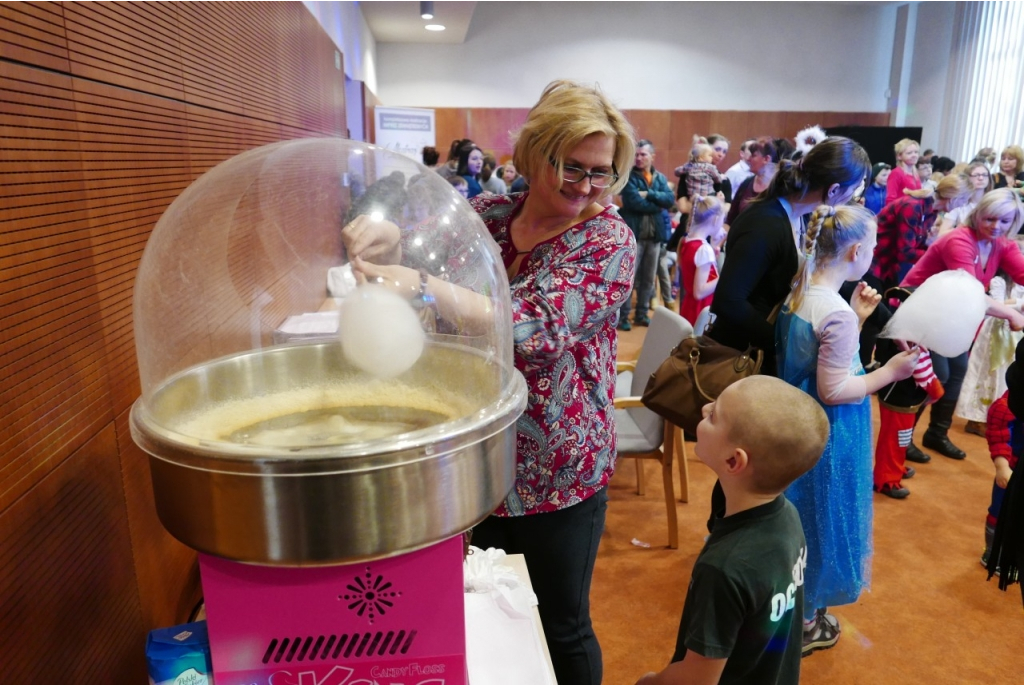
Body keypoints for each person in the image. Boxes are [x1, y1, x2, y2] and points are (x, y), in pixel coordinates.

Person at [343, 80, 637, 685]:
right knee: (475, 607)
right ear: (534, 153)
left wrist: (422, 287)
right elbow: (438, 264)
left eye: (600, 173)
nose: (586, 188)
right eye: (571, 168)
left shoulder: (609, 240)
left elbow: (535, 324)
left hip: (557, 468)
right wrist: (394, 242)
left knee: (561, 624)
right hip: (471, 456)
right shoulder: (488, 216)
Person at [776, 204, 919, 654]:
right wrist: (891, 371)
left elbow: (815, 357)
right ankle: (805, 621)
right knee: (824, 516)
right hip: (830, 428)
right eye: (873, 247)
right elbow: (836, 387)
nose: (875, 254)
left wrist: (856, 318)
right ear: (857, 251)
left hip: (797, 416)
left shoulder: (802, 291)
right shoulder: (833, 311)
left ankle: (795, 608)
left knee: (803, 512)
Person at [634, 376, 830, 685]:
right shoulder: (788, 516)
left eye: (714, 415)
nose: (704, 409)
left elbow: (697, 679)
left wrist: (651, 681)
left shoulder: (724, 568)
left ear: (733, 460)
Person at [708, 136, 872, 376]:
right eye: (854, 188)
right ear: (834, 189)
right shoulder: (765, 224)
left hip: (757, 356)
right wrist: (783, 344)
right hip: (739, 360)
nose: (853, 197)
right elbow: (728, 303)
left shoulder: (801, 216)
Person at [900, 188, 1024, 463]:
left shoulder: (1001, 243)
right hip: (919, 306)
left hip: (951, 311)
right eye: (990, 219)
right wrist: (1012, 314)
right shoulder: (959, 239)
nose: (996, 226)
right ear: (978, 214)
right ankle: (904, 441)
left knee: (957, 372)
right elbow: (970, 292)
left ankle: (936, 434)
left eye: (1005, 221)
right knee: (937, 375)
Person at [867, 173, 973, 292]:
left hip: (888, 267)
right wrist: (935, 254)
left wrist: (929, 245)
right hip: (873, 263)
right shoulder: (913, 206)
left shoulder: (932, 210)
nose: (963, 205)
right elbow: (905, 253)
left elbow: (915, 245)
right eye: (964, 200)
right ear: (954, 198)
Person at [955, 274, 1024, 436]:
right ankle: (976, 419)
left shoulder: (1020, 286)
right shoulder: (998, 281)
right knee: (987, 373)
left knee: (1004, 377)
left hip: (1014, 334)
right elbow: (997, 304)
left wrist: (1015, 305)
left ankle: (998, 419)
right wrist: (1019, 305)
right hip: (993, 333)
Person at [619, 139, 676, 331]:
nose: (639, 158)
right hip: (634, 237)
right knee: (630, 280)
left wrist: (649, 194)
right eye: (636, 154)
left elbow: (669, 200)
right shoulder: (628, 178)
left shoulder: (659, 177)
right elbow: (634, 202)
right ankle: (624, 317)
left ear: (652, 156)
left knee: (649, 280)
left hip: (654, 238)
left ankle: (642, 314)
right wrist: (656, 202)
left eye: (643, 154)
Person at [983, 390, 1021, 570]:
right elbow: (999, 436)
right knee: (1000, 512)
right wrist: (1002, 466)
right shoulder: (1007, 407)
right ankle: (993, 553)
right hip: (1011, 471)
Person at [678, 195, 725, 326]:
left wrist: (713, 254)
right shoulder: (704, 250)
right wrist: (724, 277)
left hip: (690, 308)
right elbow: (699, 292)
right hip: (700, 311)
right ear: (715, 220)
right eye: (722, 220)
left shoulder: (688, 240)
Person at [724, 137, 782, 227]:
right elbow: (730, 220)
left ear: (766, 159)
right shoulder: (746, 183)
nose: (749, 159)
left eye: (754, 155)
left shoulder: (781, 187)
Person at [675, 136, 724, 200]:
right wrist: (721, 178)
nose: (712, 157)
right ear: (701, 157)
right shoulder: (710, 168)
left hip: (693, 196)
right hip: (708, 196)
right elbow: (717, 178)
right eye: (710, 155)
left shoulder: (689, 166)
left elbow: (677, 172)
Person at [885, 138, 921, 205]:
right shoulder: (896, 173)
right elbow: (890, 200)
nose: (914, 155)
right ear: (899, 156)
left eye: (916, 152)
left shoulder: (915, 174)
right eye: (909, 153)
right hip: (900, 213)